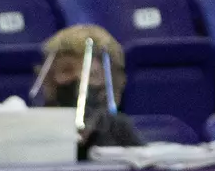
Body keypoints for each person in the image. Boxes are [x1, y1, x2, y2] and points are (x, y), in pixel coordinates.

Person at [36, 25, 144, 155]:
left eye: (91, 74)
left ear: (108, 82)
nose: (79, 81)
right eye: (67, 70)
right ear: (50, 78)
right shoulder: (36, 126)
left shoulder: (118, 127)